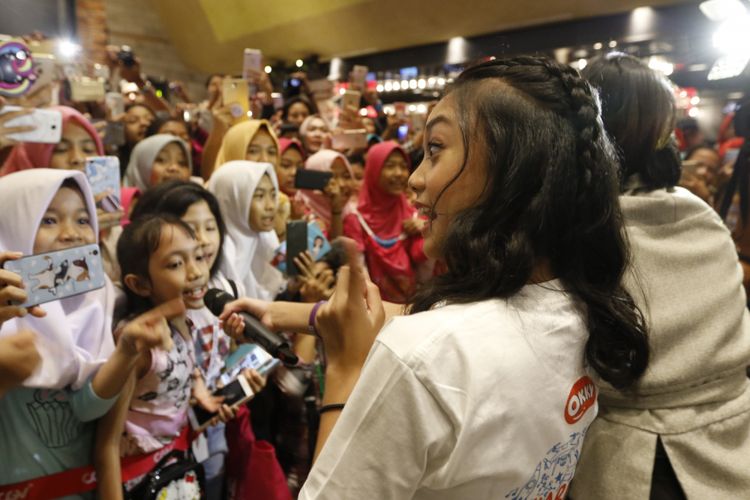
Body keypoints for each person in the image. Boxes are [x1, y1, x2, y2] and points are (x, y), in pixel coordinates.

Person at [221, 55, 650, 499]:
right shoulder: (577, 302)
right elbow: (442, 323)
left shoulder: (418, 356)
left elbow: (429, 345)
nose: (414, 178)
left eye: (435, 150)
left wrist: (346, 371)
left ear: (511, 169)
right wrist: (286, 313)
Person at [571, 53, 750, 499]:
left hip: (622, 457)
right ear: (663, 130)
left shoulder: (572, 229)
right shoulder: (701, 215)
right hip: (733, 445)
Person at [0, 169, 175, 496]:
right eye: (49, 220)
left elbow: (88, 408)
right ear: (11, 225)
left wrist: (125, 352)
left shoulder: (103, 300)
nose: (72, 234)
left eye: (83, 220)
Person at [343, 141, 427, 303]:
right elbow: (359, 273)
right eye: (390, 166)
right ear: (374, 170)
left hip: (413, 306)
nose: (399, 173)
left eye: (403, 166)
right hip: (374, 308)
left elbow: (424, 264)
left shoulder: (413, 213)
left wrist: (426, 228)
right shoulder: (356, 218)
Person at [207, 161, 284, 301]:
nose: (271, 206)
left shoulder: (267, 238)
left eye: (273, 195)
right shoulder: (214, 252)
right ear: (232, 200)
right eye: (259, 196)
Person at [1, 106, 104, 175]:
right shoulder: (6, 203)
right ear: (33, 157)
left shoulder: (111, 203)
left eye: (88, 149)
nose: (78, 158)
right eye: (61, 149)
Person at [296, 150, 354, 239]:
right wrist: (336, 212)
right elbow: (323, 251)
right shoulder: (300, 213)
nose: (342, 184)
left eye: (346, 176)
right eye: (332, 177)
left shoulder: (352, 212)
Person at [207, 119, 280, 179]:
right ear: (233, 154)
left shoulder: (280, 197)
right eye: (253, 151)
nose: (265, 160)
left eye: (271, 152)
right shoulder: (210, 195)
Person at [123, 134, 193, 191]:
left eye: (182, 163)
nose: (174, 168)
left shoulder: (197, 204)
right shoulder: (121, 207)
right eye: (161, 160)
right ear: (141, 167)